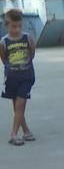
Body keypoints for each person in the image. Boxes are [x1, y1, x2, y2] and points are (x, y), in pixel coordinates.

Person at [1, 9, 36, 146]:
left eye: (19, 26)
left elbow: (32, 54)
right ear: (6, 25)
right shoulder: (3, 42)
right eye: (13, 26)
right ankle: (26, 130)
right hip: (11, 78)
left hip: (27, 76)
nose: (17, 29)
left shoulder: (27, 38)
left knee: (20, 103)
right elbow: (4, 59)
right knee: (18, 106)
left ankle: (13, 134)